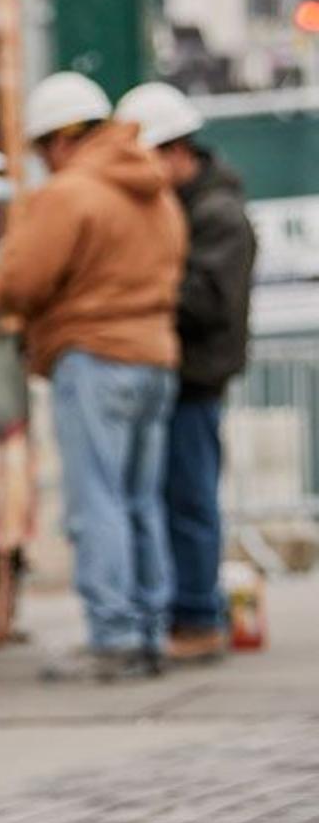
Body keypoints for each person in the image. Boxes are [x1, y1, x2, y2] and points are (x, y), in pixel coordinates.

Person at [0, 72, 187, 680]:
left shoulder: (72, 193)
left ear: (66, 138)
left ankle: (114, 635)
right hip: (156, 357)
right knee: (140, 501)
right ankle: (149, 628)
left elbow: (21, 282)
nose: (46, 160)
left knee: (96, 501)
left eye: (46, 146)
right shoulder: (156, 189)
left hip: (94, 356)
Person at [115, 82, 257, 661]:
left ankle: (197, 617)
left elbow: (207, 300)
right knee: (173, 497)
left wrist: (142, 287)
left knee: (190, 499)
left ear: (177, 152)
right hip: (179, 373)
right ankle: (185, 611)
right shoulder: (191, 206)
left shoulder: (217, 215)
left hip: (196, 380)